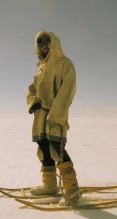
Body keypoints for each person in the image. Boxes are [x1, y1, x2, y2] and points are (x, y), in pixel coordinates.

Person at [26, 30, 80, 205]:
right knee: (44, 149)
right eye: (40, 42)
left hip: (56, 115)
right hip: (40, 115)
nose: (44, 45)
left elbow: (67, 91)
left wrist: (55, 114)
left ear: (54, 42)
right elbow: (32, 89)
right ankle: (50, 186)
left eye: (47, 41)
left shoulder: (65, 63)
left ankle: (71, 191)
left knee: (58, 148)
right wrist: (33, 102)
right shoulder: (41, 67)